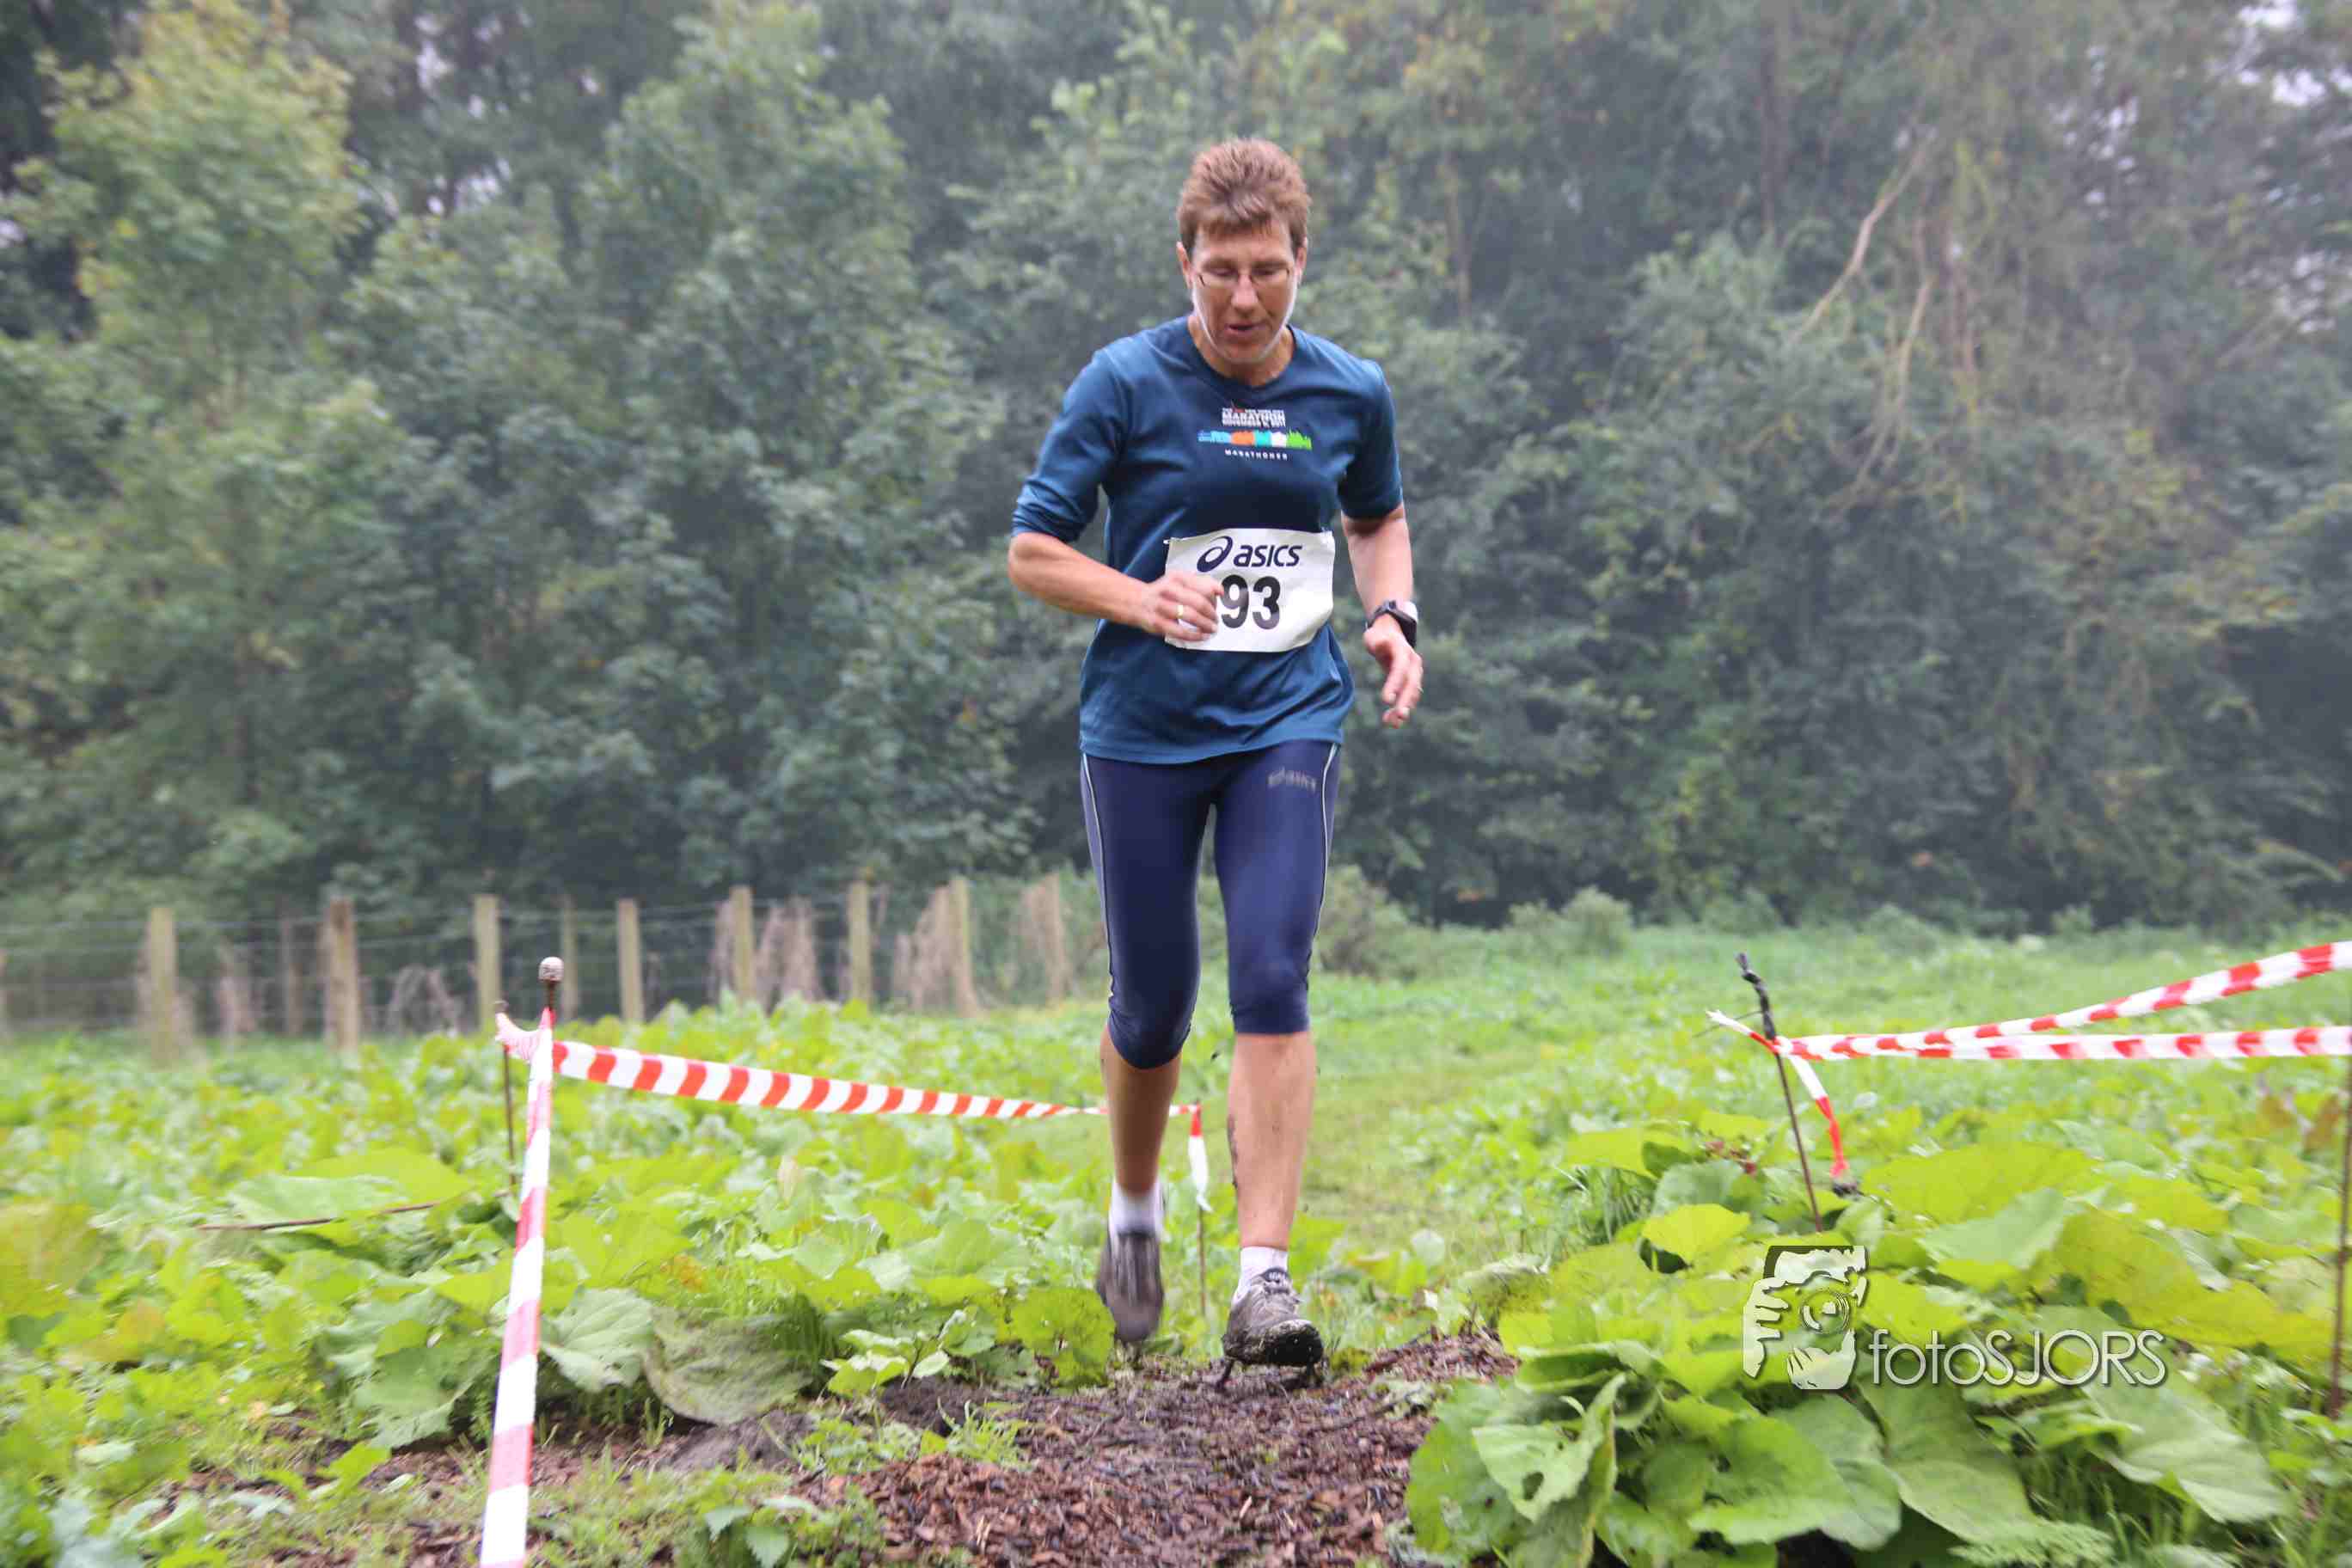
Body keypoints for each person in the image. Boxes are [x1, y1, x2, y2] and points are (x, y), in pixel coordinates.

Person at [1005, 138, 1423, 1365]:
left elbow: (1378, 516)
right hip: (1142, 731)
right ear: (1183, 263)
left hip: (1287, 716)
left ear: (1302, 261)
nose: (1244, 298)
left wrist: (1393, 616)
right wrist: (1140, 598)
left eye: (1268, 271)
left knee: (1275, 974)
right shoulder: (1125, 382)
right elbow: (1033, 550)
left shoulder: (1351, 391)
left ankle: (1263, 1285)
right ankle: (1134, 1215)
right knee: (1153, 1007)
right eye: (1221, 272)